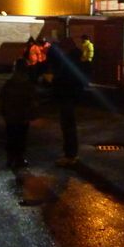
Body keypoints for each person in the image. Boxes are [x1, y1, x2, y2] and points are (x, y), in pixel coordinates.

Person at [51, 37, 85, 166]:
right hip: (71, 94)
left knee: (68, 125)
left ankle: (70, 155)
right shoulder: (75, 58)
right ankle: (70, 154)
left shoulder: (70, 60)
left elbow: (66, 78)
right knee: (68, 125)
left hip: (67, 95)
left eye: (62, 47)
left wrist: (54, 81)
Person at [0, 58, 38, 170]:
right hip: (22, 116)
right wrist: (32, 114)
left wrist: (3, 111)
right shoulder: (27, 85)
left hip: (11, 116)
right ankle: (19, 158)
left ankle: (10, 158)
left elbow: (3, 98)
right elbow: (32, 101)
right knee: (21, 137)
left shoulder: (9, 83)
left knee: (11, 136)